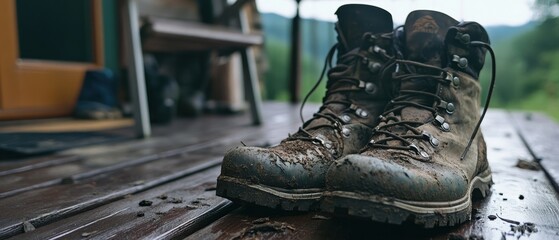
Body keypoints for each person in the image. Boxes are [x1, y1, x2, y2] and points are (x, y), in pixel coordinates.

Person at [216, 4, 496, 228]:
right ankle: (348, 122)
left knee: (358, 171)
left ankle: (471, 152)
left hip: (455, 140)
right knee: (354, 173)